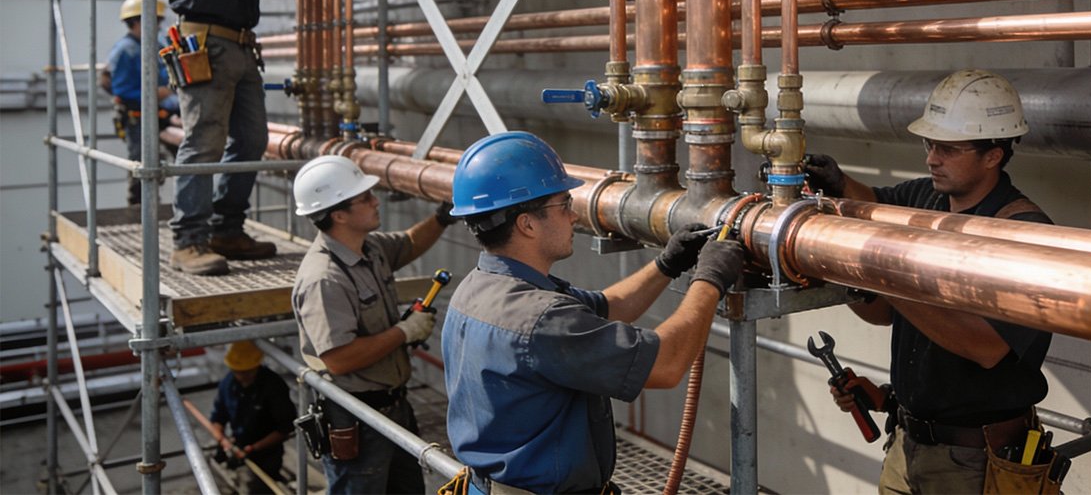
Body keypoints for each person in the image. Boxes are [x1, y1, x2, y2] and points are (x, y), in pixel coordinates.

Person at [440, 131, 746, 495]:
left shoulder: (478, 288)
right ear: (527, 224)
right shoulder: (541, 319)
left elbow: (607, 307)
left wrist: (667, 264)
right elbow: (667, 364)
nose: (573, 217)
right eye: (564, 204)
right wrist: (710, 280)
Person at [806, 69, 1053, 495]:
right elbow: (882, 309)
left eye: (948, 149)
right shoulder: (924, 198)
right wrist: (838, 189)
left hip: (975, 462)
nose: (931, 158)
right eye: (929, 144)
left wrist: (878, 271)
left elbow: (986, 347)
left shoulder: (1024, 233)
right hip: (906, 444)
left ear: (993, 154)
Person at [166, 0, 332, 275]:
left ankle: (226, 229)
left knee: (252, 140)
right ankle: (189, 241)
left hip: (239, 46)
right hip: (207, 45)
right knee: (202, 143)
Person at [291, 154, 457, 494]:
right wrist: (404, 332)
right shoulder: (324, 279)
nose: (374, 200)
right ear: (338, 214)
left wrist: (443, 215)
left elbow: (410, 243)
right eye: (364, 198)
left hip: (393, 406)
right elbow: (339, 359)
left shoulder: (370, 248)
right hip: (357, 417)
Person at [100, 0, 180, 206]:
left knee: (183, 155)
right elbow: (122, 90)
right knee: (142, 164)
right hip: (137, 116)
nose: (159, 26)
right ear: (136, 21)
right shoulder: (126, 50)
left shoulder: (152, 44)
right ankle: (139, 210)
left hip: (160, 113)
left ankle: (183, 205)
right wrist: (154, 94)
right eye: (155, 20)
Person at [208, 340, 296, 494]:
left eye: (247, 371)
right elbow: (218, 417)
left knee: (259, 488)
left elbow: (285, 428)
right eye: (237, 371)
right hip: (239, 443)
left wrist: (253, 448)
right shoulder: (228, 384)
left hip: (268, 452)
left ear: (257, 365)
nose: (242, 376)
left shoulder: (274, 386)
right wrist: (222, 439)